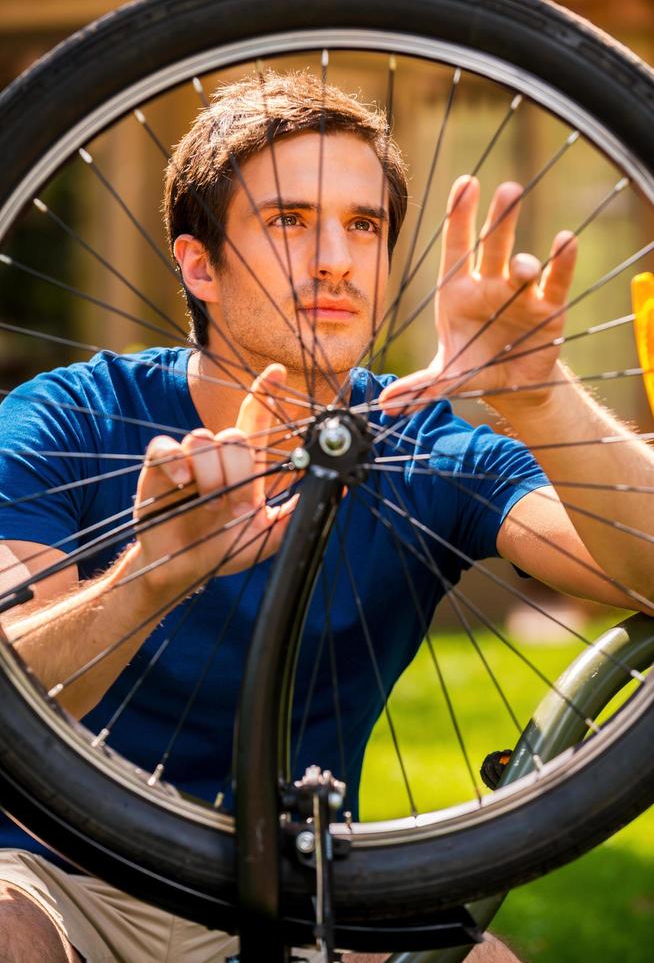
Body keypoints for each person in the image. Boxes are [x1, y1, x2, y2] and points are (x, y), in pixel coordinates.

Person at [0, 70, 651, 963]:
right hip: (54, 875)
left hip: (299, 889)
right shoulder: (72, 417)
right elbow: (11, 684)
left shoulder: (426, 446)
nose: (336, 259)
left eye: (364, 225)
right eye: (290, 221)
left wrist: (541, 397)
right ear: (199, 265)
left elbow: (638, 568)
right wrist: (153, 574)